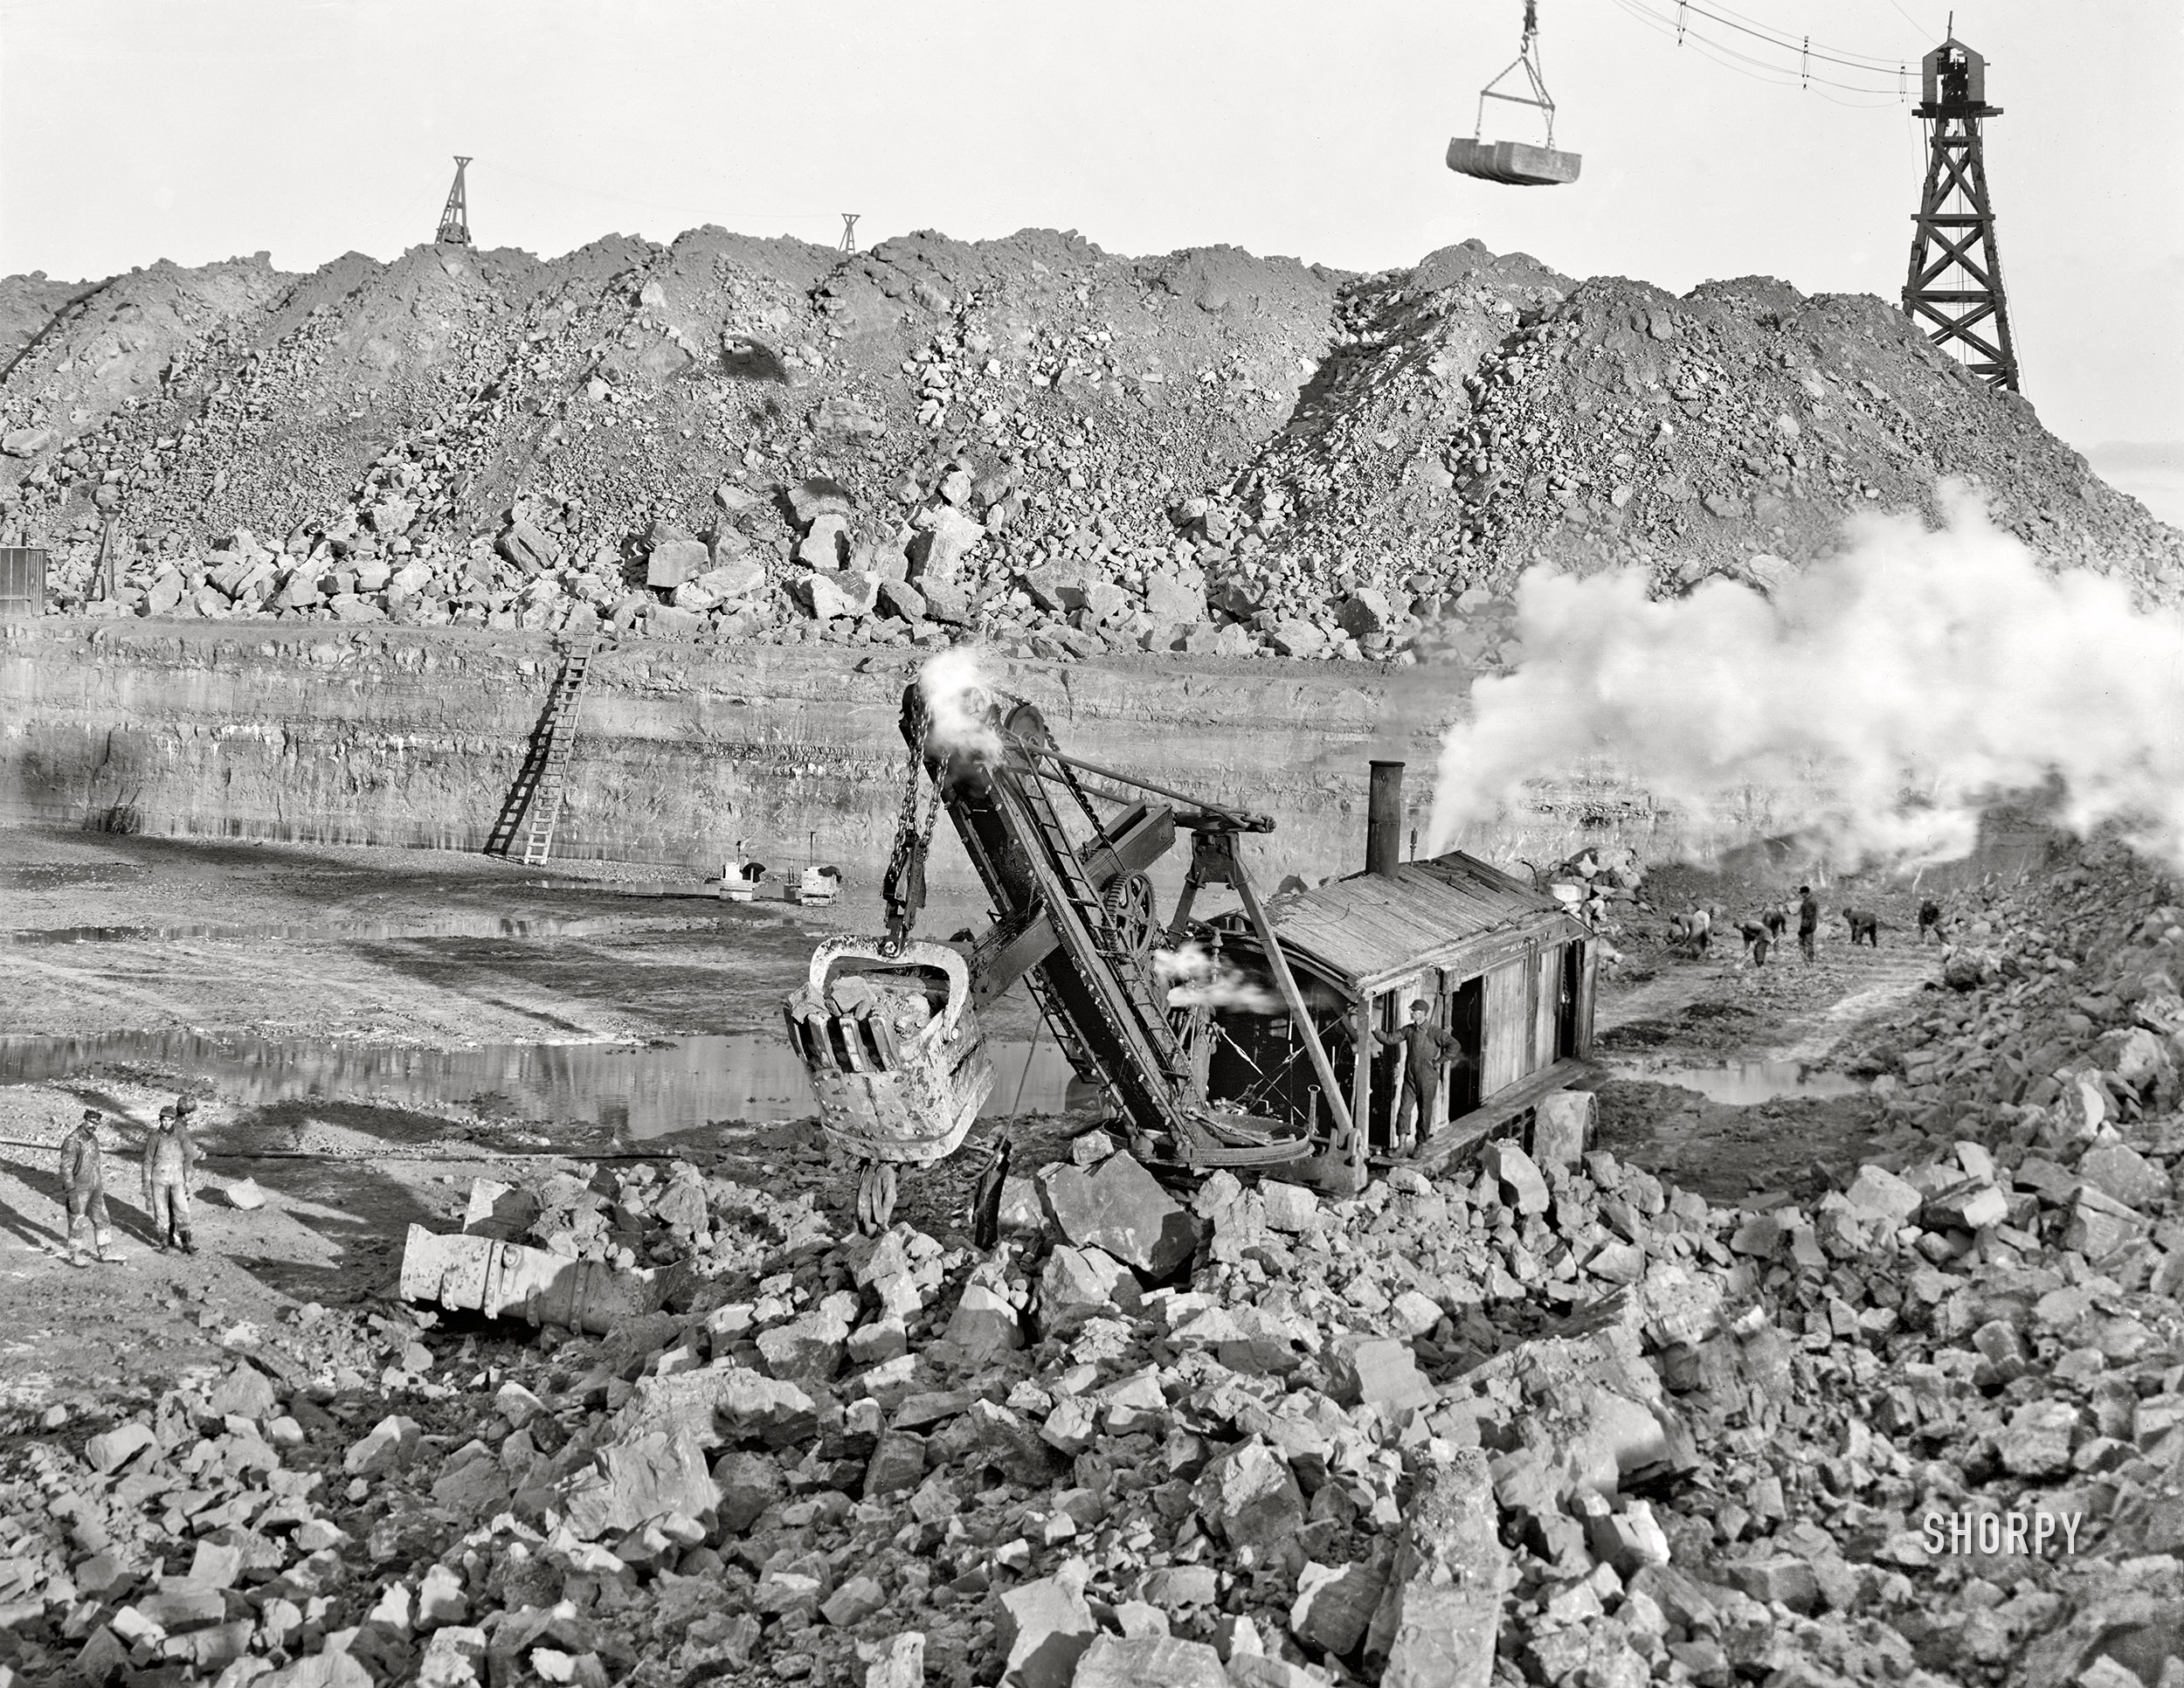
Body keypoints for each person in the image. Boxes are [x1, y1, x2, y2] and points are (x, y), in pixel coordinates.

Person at [1374, 1000, 1469, 1152]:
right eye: (1411, 1010)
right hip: (1410, 1079)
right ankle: (1402, 1145)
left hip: (1428, 1079)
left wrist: (1439, 1062)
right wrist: (1374, 1029)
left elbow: (1455, 1045)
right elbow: (1389, 1039)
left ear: (1423, 1013)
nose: (1411, 1013)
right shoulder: (1409, 1030)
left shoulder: (1434, 1032)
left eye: (1414, 1011)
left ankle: (1420, 1145)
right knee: (1404, 1111)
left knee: (1424, 1113)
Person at [60, 1109, 117, 1267]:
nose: (93, 1126)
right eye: (91, 1122)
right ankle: (75, 1255)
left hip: (95, 1188)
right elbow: (66, 1170)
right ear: (84, 1120)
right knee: (77, 1223)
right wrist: (71, 1194)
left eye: (96, 1123)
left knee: (103, 1219)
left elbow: (95, 1165)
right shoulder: (72, 1141)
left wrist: (99, 1186)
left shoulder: (93, 1140)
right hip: (79, 1190)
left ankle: (105, 1252)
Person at [142, 1104, 199, 1255]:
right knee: (161, 1212)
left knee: (183, 1210)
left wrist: (188, 1180)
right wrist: (146, 1187)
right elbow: (147, 1162)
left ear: (174, 1120)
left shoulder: (181, 1136)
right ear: (160, 1120)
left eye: (170, 1120)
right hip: (159, 1180)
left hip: (177, 1179)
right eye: (164, 1120)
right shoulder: (154, 1138)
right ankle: (164, 1243)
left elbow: (188, 1157)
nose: (166, 1123)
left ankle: (187, 1244)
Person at [1797, 885, 1821, 963]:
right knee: (1809, 942)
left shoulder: (1808, 902)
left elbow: (1808, 916)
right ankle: (1809, 959)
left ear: (1805, 893)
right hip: (1811, 925)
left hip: (1808, 927)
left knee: (1807, 942)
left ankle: (1808, 959)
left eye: (1801, 893)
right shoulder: (1811, 900)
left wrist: (1803, 928)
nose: (1801, 895)